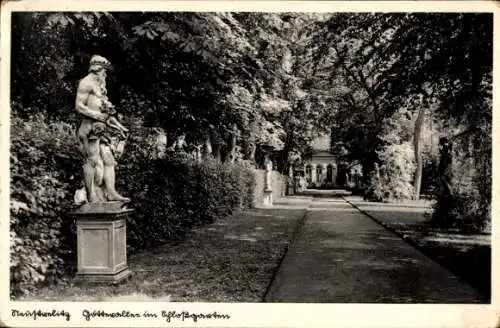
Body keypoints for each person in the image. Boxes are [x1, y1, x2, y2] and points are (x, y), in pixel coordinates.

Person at [75, 55, 130, 204]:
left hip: (102, 128)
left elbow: (106, 113)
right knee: (91, 160)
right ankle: (91, 194)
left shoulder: (101, 86)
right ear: (97, 69)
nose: (105, 74)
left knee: (109, 160)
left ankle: (111, 192)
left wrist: (119, 126)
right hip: (89, 128)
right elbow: (79, 106)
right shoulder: (86, 83)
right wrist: (97, 115)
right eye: (104, 71)